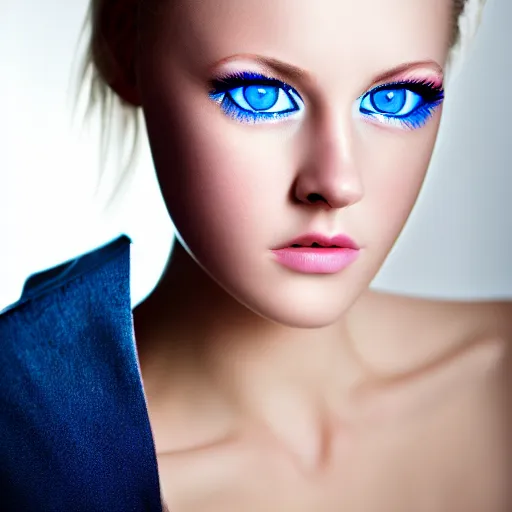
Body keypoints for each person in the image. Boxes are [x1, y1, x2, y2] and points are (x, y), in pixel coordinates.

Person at [1, 0, 510, 510]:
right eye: (260, 96)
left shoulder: (500, 387)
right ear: (124, 45)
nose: (336, 182)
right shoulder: (34, 462)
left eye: (397, 100)